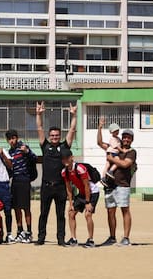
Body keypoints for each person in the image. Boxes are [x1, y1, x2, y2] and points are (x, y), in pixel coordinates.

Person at [35, 101, 77, 246]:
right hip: (46, 186)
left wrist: (74, 115)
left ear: (60, 136)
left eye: (57, 135)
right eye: (52, 135)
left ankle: (61, 239)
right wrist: (39, 114)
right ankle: (41, 238)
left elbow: (72, 130)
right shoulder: (45, 146)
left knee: (60, 215)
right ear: (49, 136)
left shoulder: (65, 146)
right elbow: (39, 128)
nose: (54, 137)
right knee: (43, 214)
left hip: (60, 186)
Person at [97, 123, 136, 247]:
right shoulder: (114, 146)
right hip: (110, 185)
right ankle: (112, 237)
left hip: (123, 185)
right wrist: (99, 128)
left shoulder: (131, 152)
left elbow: (125, 164)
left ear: (131, 140)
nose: (126, 139)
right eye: (124, 137)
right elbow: (99, 143)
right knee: (110, 211)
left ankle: (126, 238)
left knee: (125, 210)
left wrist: (111, 158)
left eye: (128, 138)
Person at [60, 148, 98, 249]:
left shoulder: (80, 168)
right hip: (81, 193)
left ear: (71, 157)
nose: (65, 160)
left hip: (92, 192)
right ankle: (73, 239)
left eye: (67, 158)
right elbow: (68, 188)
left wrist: (88, 202)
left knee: (88, 214)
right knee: (71, 213)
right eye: (63, 159)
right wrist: (70, 204)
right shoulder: (64, 172)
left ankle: (91, 240)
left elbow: (87, 186)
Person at [6, 129, 37, 243]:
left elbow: (34, 158)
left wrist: (27, 151)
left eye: (13, 138)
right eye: (9, 139)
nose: (12, 141)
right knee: (16, 207)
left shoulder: (23, 148)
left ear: (17, 138)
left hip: (24, 180)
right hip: (15, 180)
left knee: (26, 207)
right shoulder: (9, 152)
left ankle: (29, 232)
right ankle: (20, 231)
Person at [101, 122, 122, 186]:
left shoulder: (118, 138)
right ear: (111, 132)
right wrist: (122, 151)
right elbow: (116, 147)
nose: (116, 132)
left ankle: (103, 178)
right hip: (112, 152)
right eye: (114, 131)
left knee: (107, 165)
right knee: (118, 161)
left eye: (117, 130)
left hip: (112, 152)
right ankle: (110, 171)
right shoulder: (112, 139)